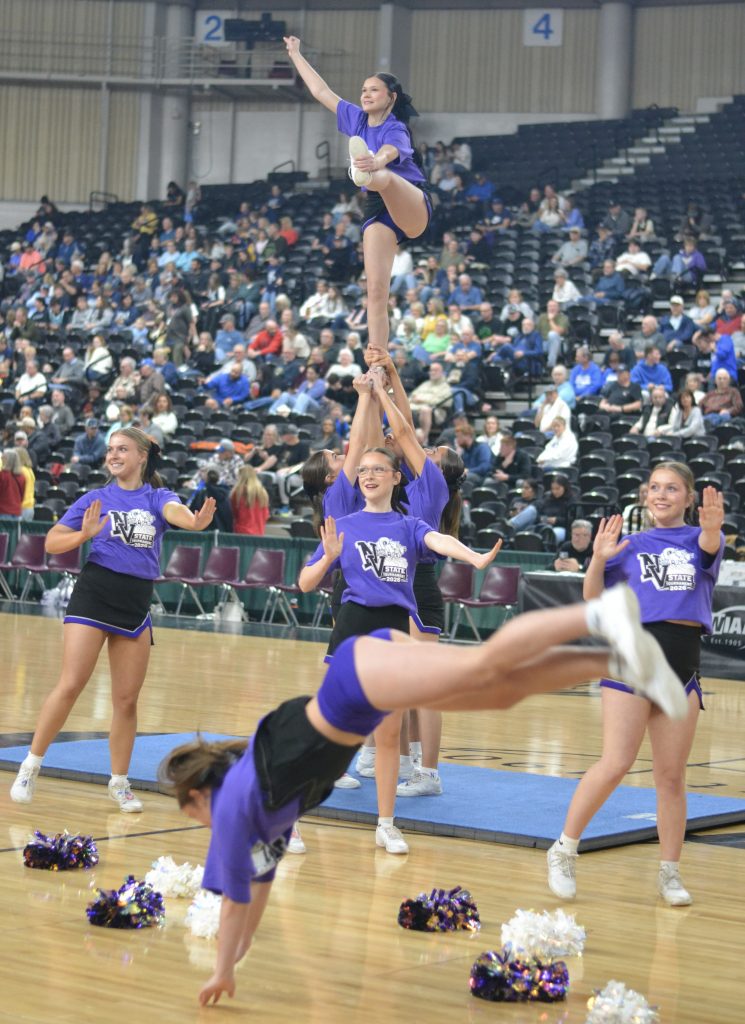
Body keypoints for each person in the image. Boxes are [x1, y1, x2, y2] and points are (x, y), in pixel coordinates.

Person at [159, 584, 685, 1006]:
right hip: (365, 682)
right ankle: (615, 664)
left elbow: (233, 905)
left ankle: (597, 614)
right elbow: (257, 890)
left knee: (481, 666)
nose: (203, 826)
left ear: (199, 795)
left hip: (356, 680)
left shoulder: (233, 806)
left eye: (193, 815)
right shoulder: (262, 810)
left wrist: (225, 969)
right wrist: (238, 955)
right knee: (501, 692)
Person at [298, 446, 501, 853]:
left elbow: (439, 539)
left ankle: (386, 824)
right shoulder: (344, 525)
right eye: (364, 470)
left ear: (395, 478)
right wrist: (327, 561)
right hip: (353, 631)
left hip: (394, 634)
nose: (369, 475)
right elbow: (304, 582)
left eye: (379, 469)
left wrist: (474, 558)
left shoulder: (408, 525)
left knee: (389, 735)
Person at [9, 428, 216, 811]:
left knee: (126, 699)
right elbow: (52, 542)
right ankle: (31, 764)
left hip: (135, 599)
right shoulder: (95, 498)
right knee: (71, 684)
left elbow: (179, 514)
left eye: (122, 449)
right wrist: (83, 534)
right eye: (110, 450)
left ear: (141, 457)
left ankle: (119, 782)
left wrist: (195, 521)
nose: (114, 455)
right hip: (94, 593)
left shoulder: (158, 497)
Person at [546, 466, 724, 907]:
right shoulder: (629, 545)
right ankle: (564, 849)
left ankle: (669, 872)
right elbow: (591, 598)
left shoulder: (702, 540)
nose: (661, 495)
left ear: (687, 498)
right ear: (645, 495)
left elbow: (708, 547)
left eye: (672, 489)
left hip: (683, 662)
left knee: (671, 776)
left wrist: (713, 528)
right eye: (655, 488)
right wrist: (600, 558)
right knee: (616, 761)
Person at [284, 36, 431, 356]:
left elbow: (391, 150)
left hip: (410, 202)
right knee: (376, 290)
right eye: (363, 89)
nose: (365, 93)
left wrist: (375, 161)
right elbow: (321, 91)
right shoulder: (356, 118)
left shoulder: (396, 127)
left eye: (373, 89)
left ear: (391, 98)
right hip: (377, 206)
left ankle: (362, 171)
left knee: (385, 176)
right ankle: (377, 356)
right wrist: (296, 55)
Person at [230, 466, 270, 536]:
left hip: (241, 532)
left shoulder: (238, 492)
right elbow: (266, 515)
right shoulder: (263, 492)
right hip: (259, 532)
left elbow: (233, 513)